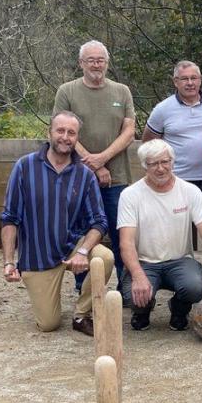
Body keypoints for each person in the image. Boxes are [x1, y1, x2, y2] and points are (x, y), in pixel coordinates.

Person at [0, 111, 114, 336]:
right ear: (49, 133)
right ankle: (47, 295)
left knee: (105, 257)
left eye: (71, 133)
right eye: (60, 130)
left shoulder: (85, 175)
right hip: (38, 255)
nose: (65, 137)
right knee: (48, 324)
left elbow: (99, 221)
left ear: (77, 138)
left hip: (72, 244)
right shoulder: (24, 167)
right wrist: (8, 262)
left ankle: (82, 314)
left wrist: (82, 251)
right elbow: (10, 217)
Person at [117, 139, 202, 332]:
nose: (160, 168)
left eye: (165, 162)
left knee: (196, 287)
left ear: (172, 162)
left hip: (180, 260)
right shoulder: (130, 195)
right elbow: (126, 243)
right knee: (130, 295)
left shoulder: (190, 191)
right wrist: (137, 275)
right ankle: (142, 310)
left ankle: (179, 309)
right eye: (153, 163)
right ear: (145, 166)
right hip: (145, 262)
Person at [53, 40, 135, 292]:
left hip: (118, 177)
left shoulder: (122, 91)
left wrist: (103, 158)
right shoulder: (67, 91)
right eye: (91, 60)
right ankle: (84, 286)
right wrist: (93, 164)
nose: (96, 64)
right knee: (82, 231)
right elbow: (61, 131)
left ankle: (126, 285)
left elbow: (129, 130)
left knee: (122, 232)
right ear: (81, 63)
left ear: (107, 63)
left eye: (101, 60)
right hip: (78, 176)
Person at [142, 60, 202, 207]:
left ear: (200, 80)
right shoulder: (163, 109)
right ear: (175, 82)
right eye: (184, 79)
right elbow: (148, 143)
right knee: (181, 226)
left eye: (194, 78)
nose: (190, 83)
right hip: (177, 179)